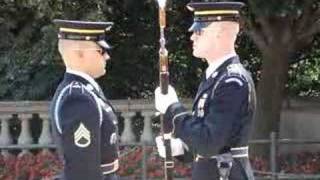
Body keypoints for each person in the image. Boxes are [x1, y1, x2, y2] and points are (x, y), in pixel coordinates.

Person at [155, 2, 256, 180]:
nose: (192, 37)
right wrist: (181, 148)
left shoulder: (232, 81)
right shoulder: (215, 77)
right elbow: (209, 139)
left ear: (219, 34)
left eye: (199, 31)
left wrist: (173, 109)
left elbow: (210, 142)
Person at [50, 19, 119, 180]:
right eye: (101, 51)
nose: (107, 56)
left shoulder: (85, 91)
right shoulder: (78, 97)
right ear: (79, 54)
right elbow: (82, 170)